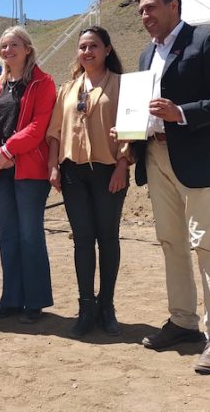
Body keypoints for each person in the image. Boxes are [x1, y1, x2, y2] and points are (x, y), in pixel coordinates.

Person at [117, 0, 210, 374]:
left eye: (151, 8)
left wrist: (181, 113)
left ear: (174, 6)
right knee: (171, 241)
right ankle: (183, 321)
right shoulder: (146, 53)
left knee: (206, 243)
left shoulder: (206, 40)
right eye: (140, 11)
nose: (144, 16)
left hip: (197, 156)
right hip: (154, 154)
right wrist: (130, 132)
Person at [46, 26, 131, 338]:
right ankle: (86, 307)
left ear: (107, 50)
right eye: (82, 47)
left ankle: (106, 306)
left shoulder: (122, 85)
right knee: (82, 240)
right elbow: (55, 131)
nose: (87, 52)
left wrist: (123, 164)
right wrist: (53, 167)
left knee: (108, 238)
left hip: (110, 171)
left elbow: (131, 128)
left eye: (93, 46)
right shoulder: (68, 89)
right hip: (73, 173)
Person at [0, 25, 56, 324]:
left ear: (27, 49)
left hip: (30, 170)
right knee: (7, 236)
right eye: (4, 46)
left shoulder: (43, 82)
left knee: (30, 235)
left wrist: (8, 150)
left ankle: (35, 301)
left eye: (14, 45)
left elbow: (39, 126)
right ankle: (11, 298)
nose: (8, 50)